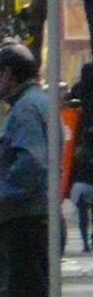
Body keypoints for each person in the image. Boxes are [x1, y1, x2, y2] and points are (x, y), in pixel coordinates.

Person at [0, 43, 55, 297]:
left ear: (10, 74)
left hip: (27, 219)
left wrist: (4, 196)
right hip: (32, 217)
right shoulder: (33, 104)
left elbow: (33, 162)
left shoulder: (27, 110)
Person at [70, 63, 93, 253]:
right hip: (85, 163)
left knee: (82, 210)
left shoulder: (78, 93)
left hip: (80, 166)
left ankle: (86, 241)